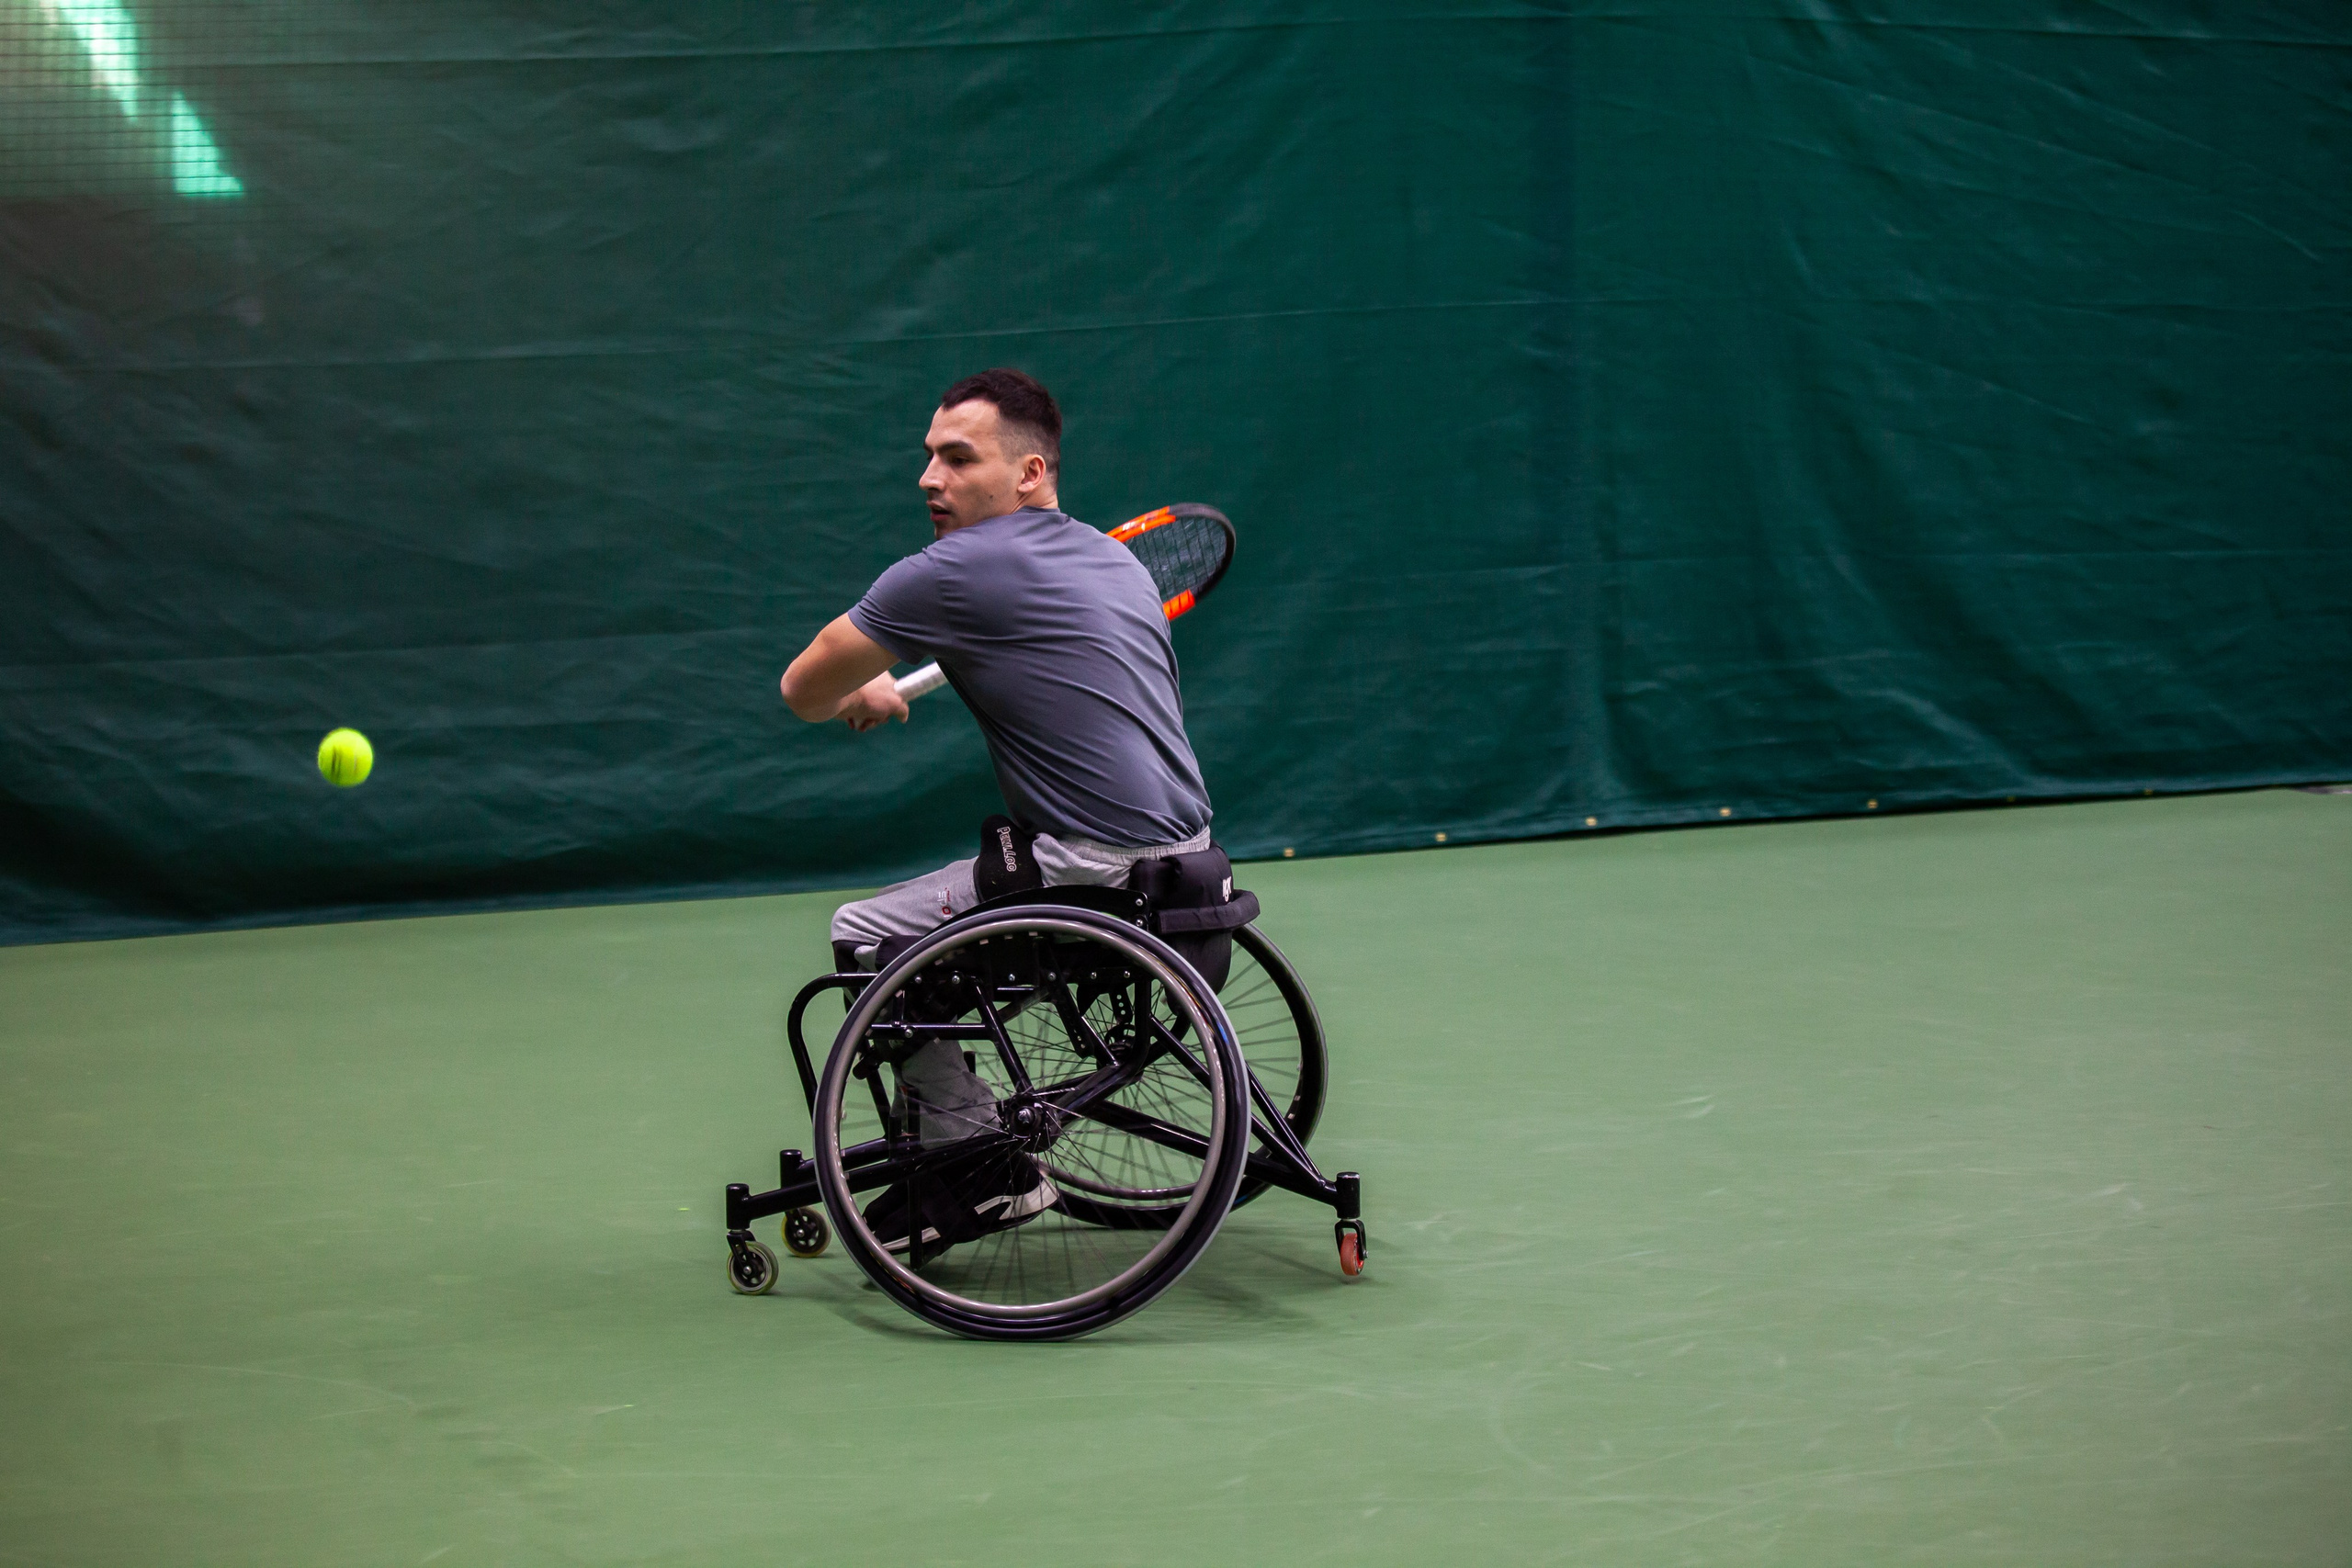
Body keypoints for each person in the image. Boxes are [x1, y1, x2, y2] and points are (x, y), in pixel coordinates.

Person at [778, 367, 1215, 1259]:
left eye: (955, 457)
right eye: (927, 458)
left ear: (1028, 473)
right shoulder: (1107, 555)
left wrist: (860, 694)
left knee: (862, 928)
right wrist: (871, 686)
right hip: (1189, 861)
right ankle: (955, 1128)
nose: (928, 479)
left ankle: (982, 1170)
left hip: (1091, 872)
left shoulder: (951, 571)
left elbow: (802, 689)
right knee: (975, 878)